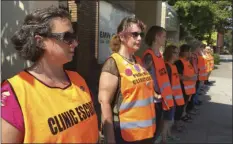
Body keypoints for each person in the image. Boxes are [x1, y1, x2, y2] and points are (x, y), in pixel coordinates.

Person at [1, 6, 99, 143]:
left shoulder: (78, 80)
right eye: (67, 37)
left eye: (74, 37)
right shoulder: (15, 92)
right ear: (39, 41)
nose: (75, 43)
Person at [98, 17, 155, 144]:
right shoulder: (113, 63)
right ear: (122, 36)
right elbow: (104, 103)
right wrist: (110, 140)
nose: (139, 38)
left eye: (141, 34)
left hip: (146, 131)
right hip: (125, 135)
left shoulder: (138, 61)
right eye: (135, 34)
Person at [143, 26, 174, 143]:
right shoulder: (149, 56)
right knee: (151, 132)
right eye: (164, 36)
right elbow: (146, 79)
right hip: (153, 101)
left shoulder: (159, 56)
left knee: (156, 130)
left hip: (161, 99)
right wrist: (155, 94)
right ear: (156, 37)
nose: (165, 39)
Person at [163, 45, 185, 141]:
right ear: (170, 54)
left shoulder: (173, 66)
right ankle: (164, 139)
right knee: (167, 120)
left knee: (169, 119)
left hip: (173, 97)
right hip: (169, 98)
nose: (178, 54)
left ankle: (169, 135)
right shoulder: (167, 66)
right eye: (176, 52)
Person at [174, 44, 197, 123]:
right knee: (180, 106)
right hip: (182, 88)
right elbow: (179, 76)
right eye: (189, 51)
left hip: (189, 89)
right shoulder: (179, 62)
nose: (190, 53)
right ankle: (178, 120)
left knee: (185, 104)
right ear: (184, 52)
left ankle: (183, 115)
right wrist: (191, 78)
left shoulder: (187, 61)